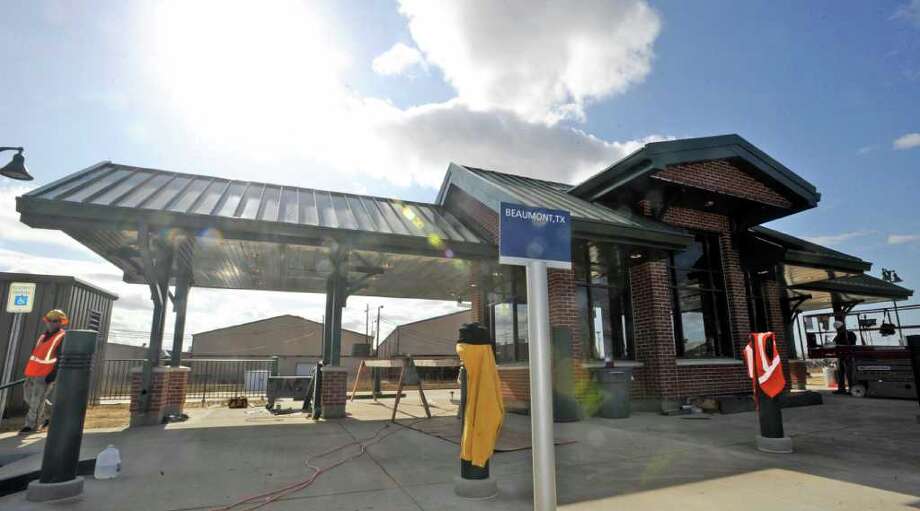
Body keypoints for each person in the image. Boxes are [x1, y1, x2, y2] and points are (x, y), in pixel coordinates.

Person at [19, 309, 67, 434]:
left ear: (61, 323)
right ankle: (50, 415)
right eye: (49, 320)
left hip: (45, 373)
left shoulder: (62, 336)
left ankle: (30, 426)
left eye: (55, 321)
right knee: (28, 398)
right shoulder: (43, 336)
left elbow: (61, 356)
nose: (51, 323)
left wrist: (53, 374)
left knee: (36, 400)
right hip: (32, 372)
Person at [832, 319, 856, 395]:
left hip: (848, 356)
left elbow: (852, 344)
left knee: (849, 374)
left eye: (839, 329)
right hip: (841, 356)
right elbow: (834, 343)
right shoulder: (838, 336)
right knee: (840, 373)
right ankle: (841, 389)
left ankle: (852, 389)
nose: (838, 330)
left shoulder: (850, 334)